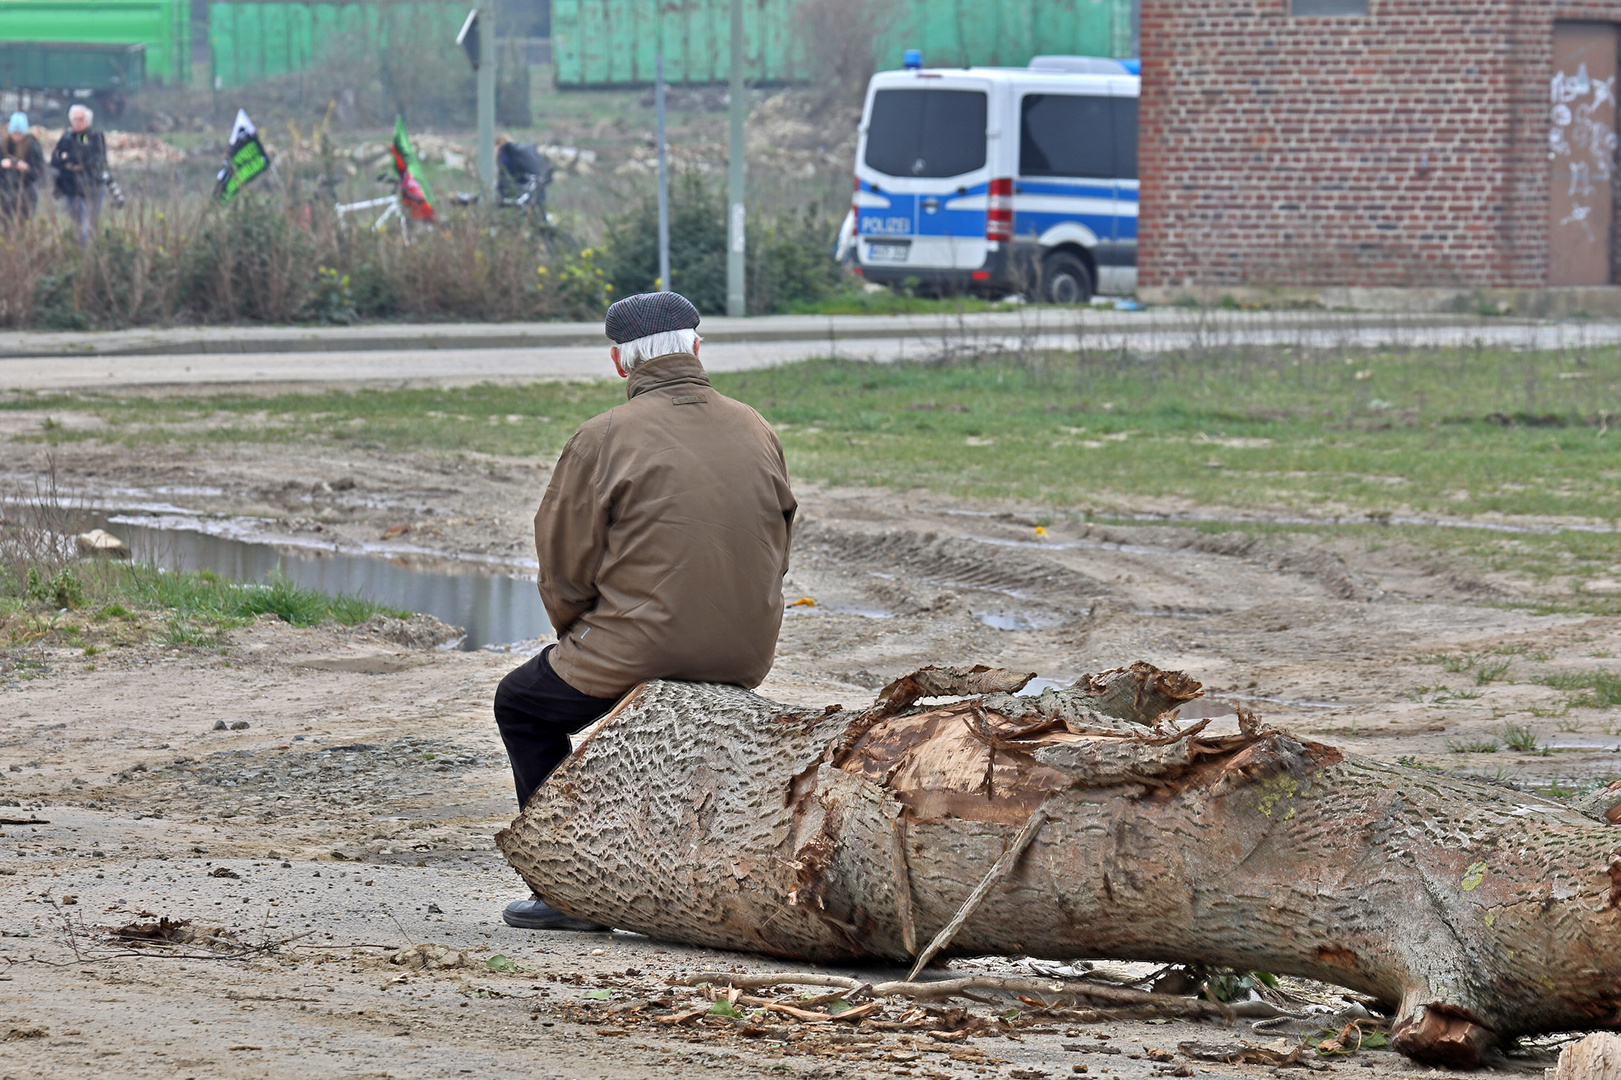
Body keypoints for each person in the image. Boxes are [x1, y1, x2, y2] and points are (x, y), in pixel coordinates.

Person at [495, 291, 797, 931]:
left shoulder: (600, 438)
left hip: (638, 648)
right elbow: (780, 546)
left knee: (521, 705)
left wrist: (578, 635)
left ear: (618, 363)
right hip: (747, 653)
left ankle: (566, 885)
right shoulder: (756, 426)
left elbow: (563, 567)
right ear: (696, 347)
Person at [51, 104, 107, 246]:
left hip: (91, 189)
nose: (76, 122)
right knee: (76, 224)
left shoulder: (95, 137)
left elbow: (93, 159)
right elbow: (55, 158)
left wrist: (69, 158)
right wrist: (68, 160)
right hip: (70, 188)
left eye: (80, 119)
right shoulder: (67, 137)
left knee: (87, 226)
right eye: (74, 119)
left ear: (87, 120)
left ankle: (87, 255)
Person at [0, 113, 45, 224]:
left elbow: (40, 171)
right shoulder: (3, 145)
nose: (16, 137)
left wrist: (26, 168)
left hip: (26, 192)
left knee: (24, 224)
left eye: (19, 134)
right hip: (5, 192)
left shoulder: (33, 145)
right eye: (14, 133)